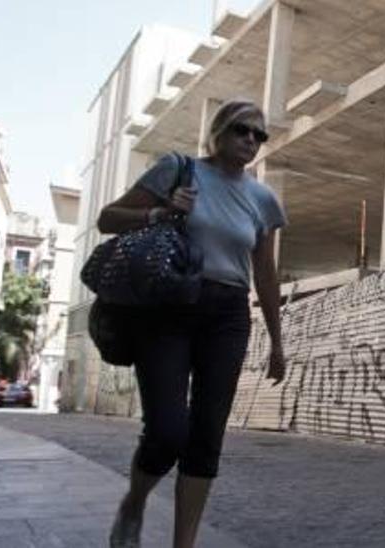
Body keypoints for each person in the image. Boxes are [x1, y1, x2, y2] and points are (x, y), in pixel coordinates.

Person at [97, 99, 287, 548]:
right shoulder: (178, 170)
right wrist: (158, 212)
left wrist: (278, 343)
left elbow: (265, 273)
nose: (251, 141)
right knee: (166, 431)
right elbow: (108, 219)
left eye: (260, 136)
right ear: (218, 131)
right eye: (243, 130)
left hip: (227, 315)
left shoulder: (264, 199)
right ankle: (135, 502)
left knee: (206, 436)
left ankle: (185, 543)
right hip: (170, 307)